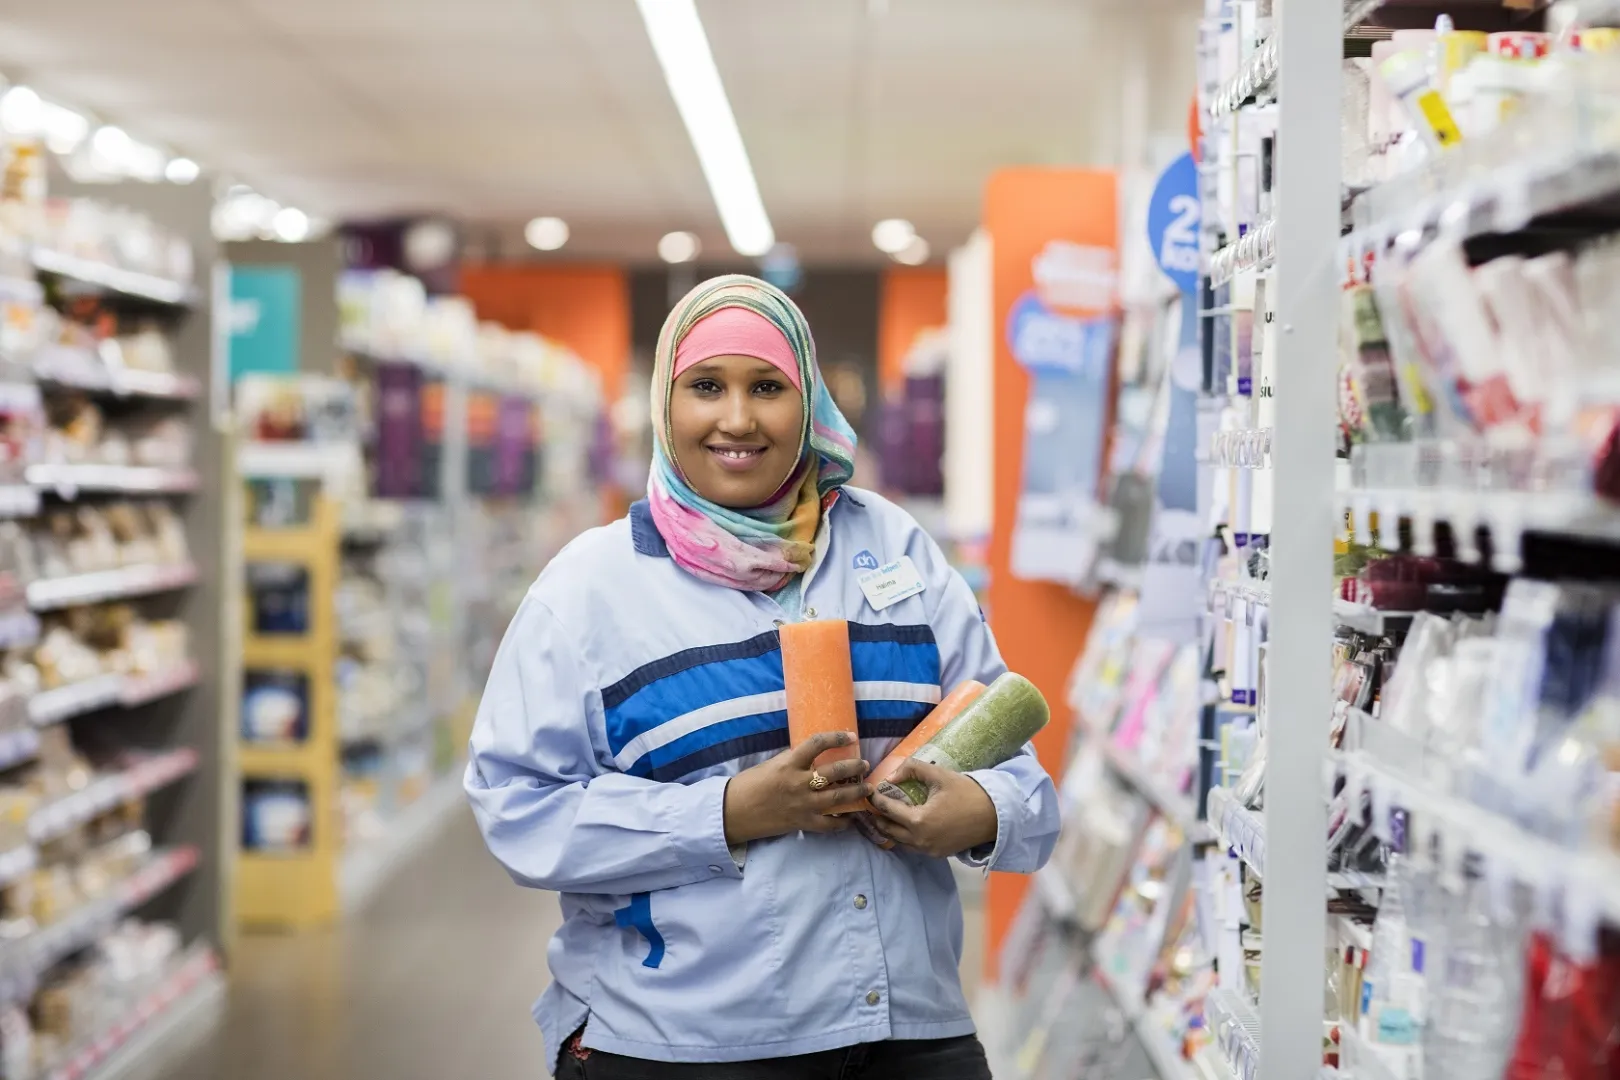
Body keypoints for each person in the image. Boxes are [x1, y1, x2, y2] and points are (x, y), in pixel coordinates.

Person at [465, 275, 1059, 1078]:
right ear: (665, 405)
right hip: (683, 1044)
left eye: (768, 387)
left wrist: (981, 814)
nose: (737, 418)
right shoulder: (589, 590)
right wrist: (728, 813)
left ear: (807, 402)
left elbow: (1024, 780)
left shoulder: (897, 549)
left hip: (910, 1033)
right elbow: (519, 809)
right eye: (706, 386)